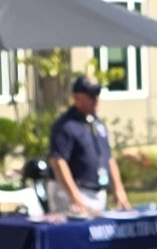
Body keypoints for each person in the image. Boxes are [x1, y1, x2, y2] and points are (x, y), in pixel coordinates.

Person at [46, 70, 122, 215]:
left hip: (97, 192)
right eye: (90, 95)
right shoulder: (66, 125)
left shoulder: (98, 123)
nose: (95, 99)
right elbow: (58, 162)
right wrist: (75, 196)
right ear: (77, 97)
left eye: (97, 94)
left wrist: (118, 189)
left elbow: (109, 157)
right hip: (73, 192)